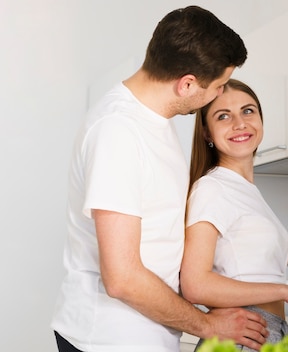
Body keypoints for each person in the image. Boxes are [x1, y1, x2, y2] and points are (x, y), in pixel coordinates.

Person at [51, 6, 270, 352]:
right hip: (108, 341)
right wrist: (209, 325)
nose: (219, 93)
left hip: (139, 337)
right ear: (186, 84)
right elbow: (122, 279)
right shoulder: (118, 132)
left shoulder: (154, 123)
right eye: (218, 86)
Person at [180, 79, 288, 351]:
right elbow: (195, 284)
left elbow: (248, 268)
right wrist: (287, 292)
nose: (240, 123)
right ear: (207, 133)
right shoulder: (212, 188)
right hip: (243, 336)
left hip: (265, 334)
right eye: (223, 116)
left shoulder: (245, 190)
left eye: (248, 111)